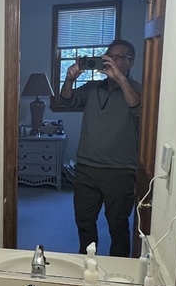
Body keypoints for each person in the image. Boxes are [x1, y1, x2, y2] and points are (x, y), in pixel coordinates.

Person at [57, 39, 142, 257]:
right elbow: (68, 100)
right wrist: (69, 80)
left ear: (130, 62)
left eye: (119, 57)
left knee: (118, 226)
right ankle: (87, 267)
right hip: (86, 168)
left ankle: (118, 276)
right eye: (110, 56)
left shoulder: (139, 90)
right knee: (85, 224)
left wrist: (120, 79)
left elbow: (137, 107)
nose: (112, 60)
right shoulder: (93, 88)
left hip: (120, 171)